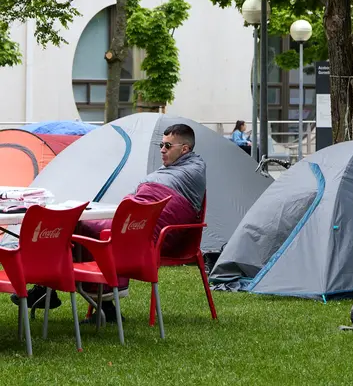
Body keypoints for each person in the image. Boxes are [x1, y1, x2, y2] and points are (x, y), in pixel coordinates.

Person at [11, 124, 207, 323]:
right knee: (78, 227)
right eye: (161, 145)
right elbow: (147, 196)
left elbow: (156, 198)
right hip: (143, 229)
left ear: (185, 149)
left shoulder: (192, 170)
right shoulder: (176, 170)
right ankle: (51, 290)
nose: (162, 150)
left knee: (80, 228)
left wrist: (132, 203)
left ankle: (63, 294)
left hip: (160, 237)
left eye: (167, 145)